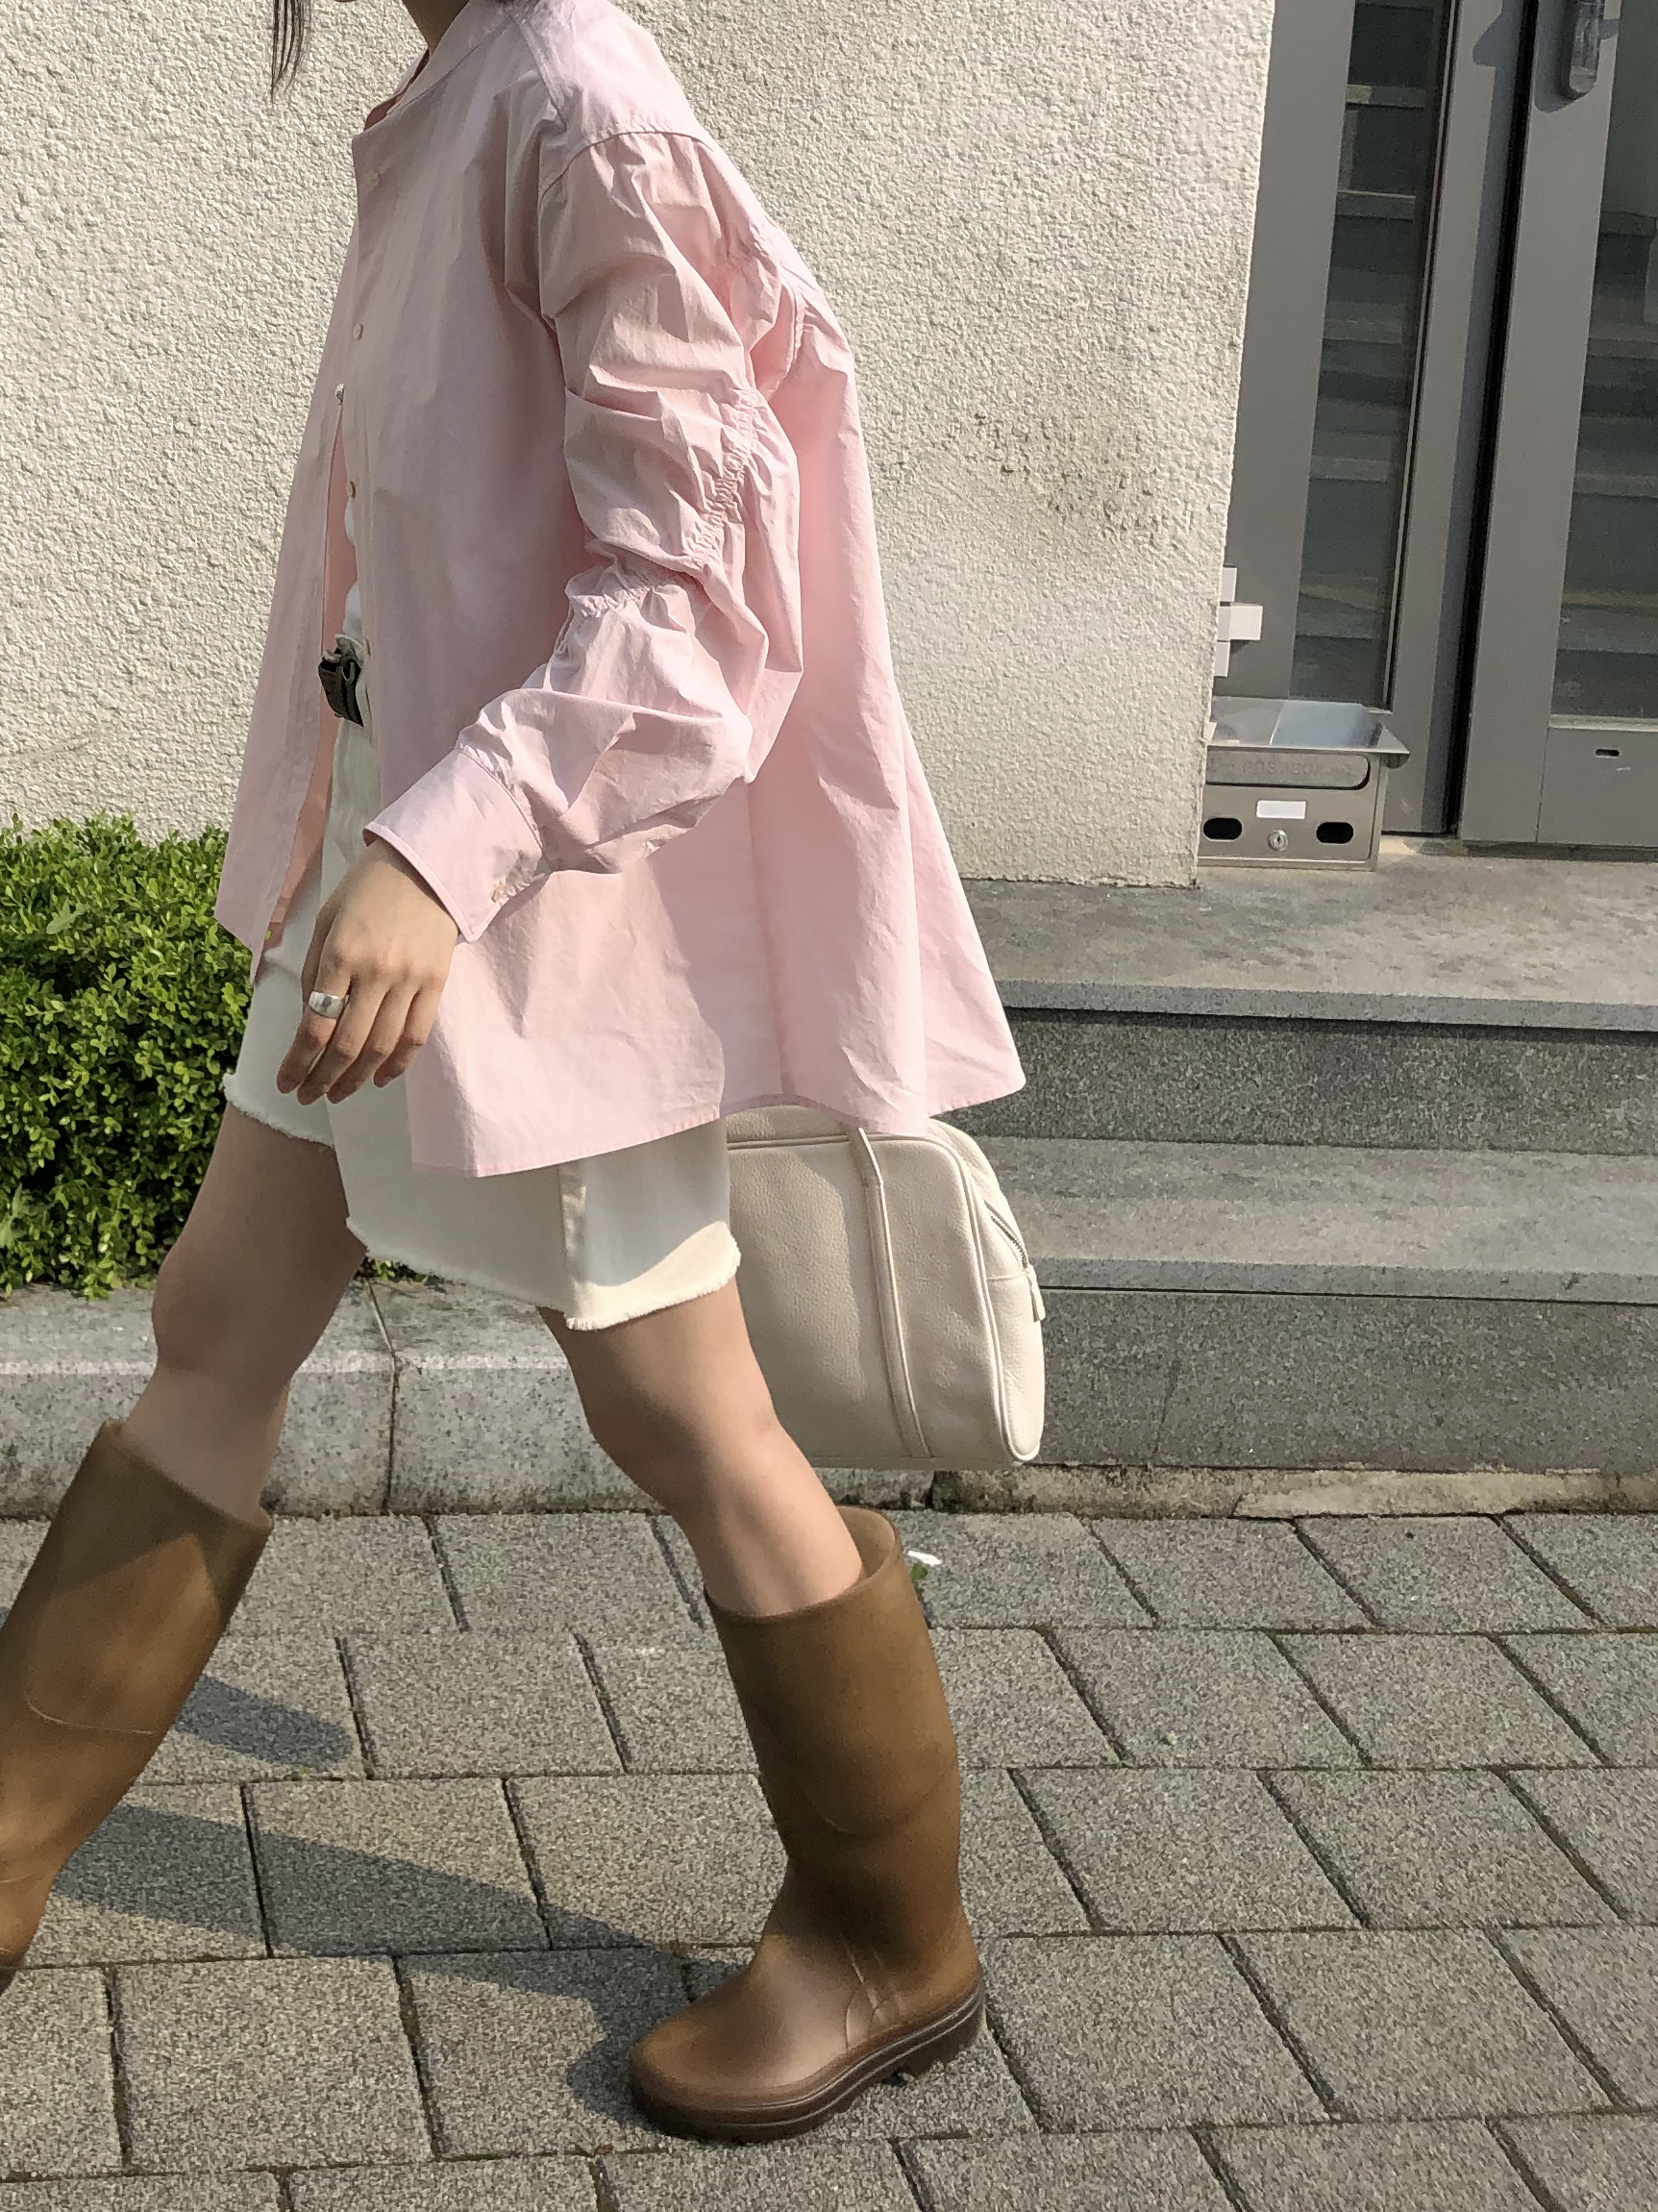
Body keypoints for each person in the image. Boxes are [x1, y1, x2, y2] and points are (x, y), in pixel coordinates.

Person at [0, 0, 1025, 2141]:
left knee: (681, 1412)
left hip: (511, 907)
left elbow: (699, 591)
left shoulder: (569, 91)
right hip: (397, 879)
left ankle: (887, 1935)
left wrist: (438, 858)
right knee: (219, 1321)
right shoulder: (462, 89)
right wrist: (376, 853)